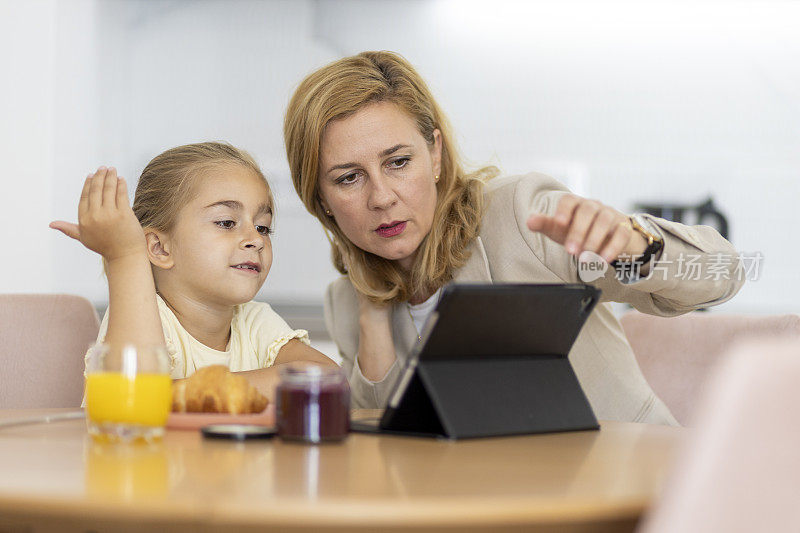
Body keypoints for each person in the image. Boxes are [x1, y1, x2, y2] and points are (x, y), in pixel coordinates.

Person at [283, 51, 744, 424]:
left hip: (631, 490)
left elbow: (724, 272)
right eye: (348, 178)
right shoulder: (344, 304)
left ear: (436, 154)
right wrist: (372, 311)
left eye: (399, 162)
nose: (381, 197)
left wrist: (636, 246)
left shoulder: (521, 217)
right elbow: (389, 451)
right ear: (320, 199)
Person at [51, 142, 334, 401]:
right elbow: (129, 400)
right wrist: (126, 256)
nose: (256, 239)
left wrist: (177, 395)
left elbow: (326, 378)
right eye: (226, 222)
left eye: (263, 227)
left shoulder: (256, 322)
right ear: (160, 248)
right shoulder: (147, 319)